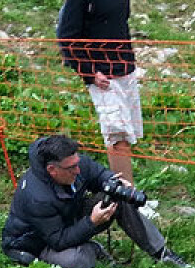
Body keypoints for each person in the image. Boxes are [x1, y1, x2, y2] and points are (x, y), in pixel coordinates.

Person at [2, 135, 189, 268]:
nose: (78, 170)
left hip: (68, 218)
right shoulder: (38, 197)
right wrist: (91, 223)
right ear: (52, 170)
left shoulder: (73, 163)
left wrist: (114, 182)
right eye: (72, 168)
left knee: (117, 198)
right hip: (36, 241)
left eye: (77, 163)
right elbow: (58, 240)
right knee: (76, 262)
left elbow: (99, 174)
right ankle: (92, 249)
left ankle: (162, 254)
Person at [57, 0, 142, 186]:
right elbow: (66, 36)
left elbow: (121, 24)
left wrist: (130, 63)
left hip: (126, 71)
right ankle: (126, 200)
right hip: (103, 78)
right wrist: (90, 73)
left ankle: (128, 194)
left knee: (127, 137)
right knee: (117, 137)